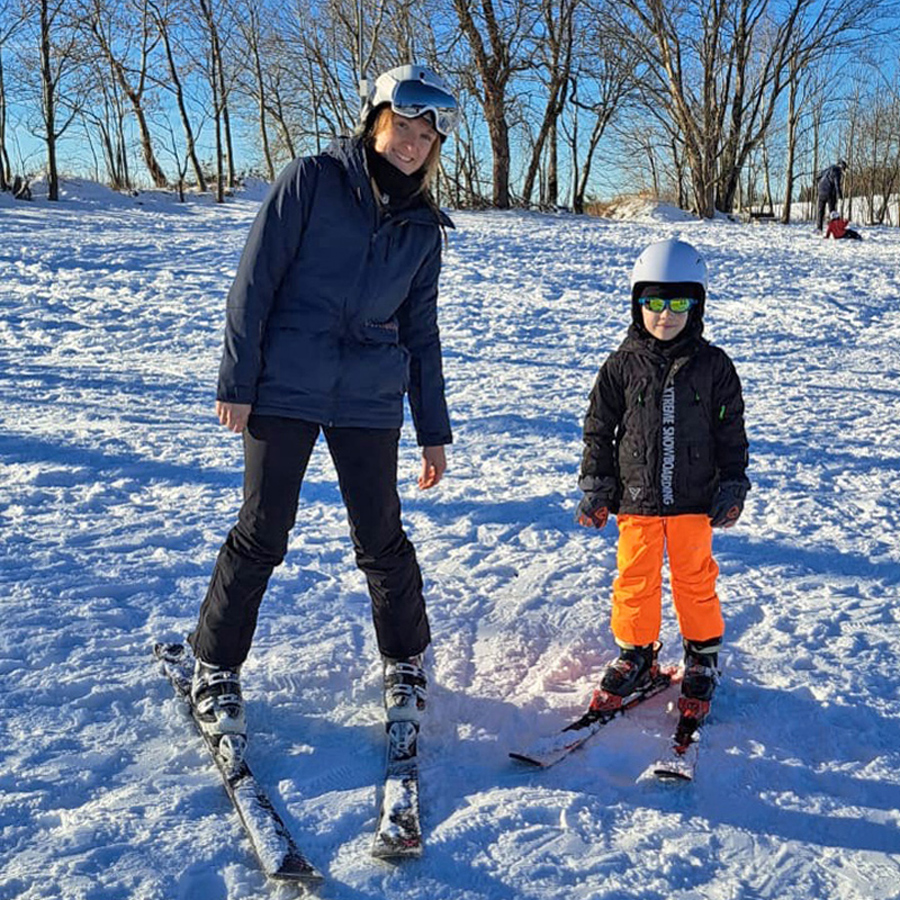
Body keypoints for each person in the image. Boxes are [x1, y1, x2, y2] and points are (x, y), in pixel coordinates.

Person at [187, 64, 460, 755]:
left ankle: (405, 659)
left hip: (370, 398)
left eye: (426, 137)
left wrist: (433, 431)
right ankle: (214, 664)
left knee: (381, 537)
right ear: (376, 122)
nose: (412, 144)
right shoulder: (312, 180)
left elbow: (421, 333)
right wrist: (237, 380)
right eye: (403, 127)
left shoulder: (423, 229)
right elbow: (254, 283)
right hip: (286, 384)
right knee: (263, 529)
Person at [576, 239, 750, 725]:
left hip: (695, 500)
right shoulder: (620, 366)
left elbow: (731, 432)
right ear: (637, 303)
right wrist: (596, 486)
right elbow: (598, 429)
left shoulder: (714, 366)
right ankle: (637, 653)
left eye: (679, 303)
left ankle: (702, 655)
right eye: (654, 303)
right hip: (637, 498)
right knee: (635, 578)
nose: (665, 315)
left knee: (695, 578)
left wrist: (733, 484)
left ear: (697, 305)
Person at [816, 160, 847, 231]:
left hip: (820, 192)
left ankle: (819, 228)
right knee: (832, 211)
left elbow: (817, 177)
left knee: (821, 211)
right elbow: (837, 184)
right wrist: (840, 196)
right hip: (829, 192)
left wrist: (820, 186)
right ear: (842, 167)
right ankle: (835, 229)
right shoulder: (837, 171)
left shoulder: (827, 169)